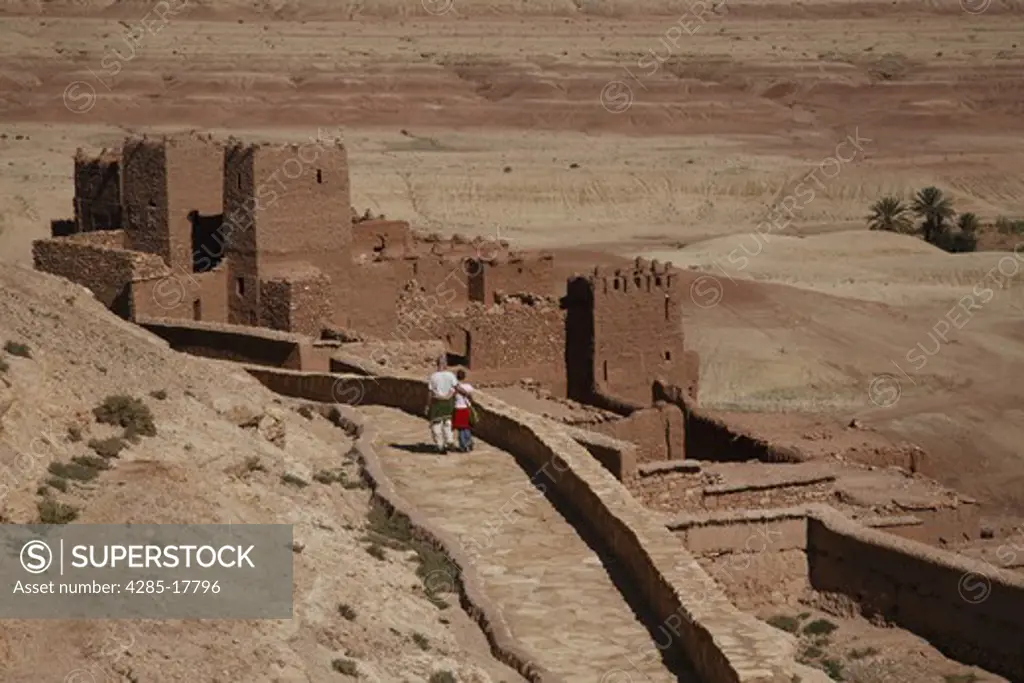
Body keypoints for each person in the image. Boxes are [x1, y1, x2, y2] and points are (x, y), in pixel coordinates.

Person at [425, 355, 458, 454]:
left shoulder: (433, 376)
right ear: (445, 364)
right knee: (448, 422)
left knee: (436, 424)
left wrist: (427, 405)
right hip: (448, 403)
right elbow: (455, 388)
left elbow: (430, 393)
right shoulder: (451, 375)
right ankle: (449, 440)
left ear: (437, 364)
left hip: (437, 403)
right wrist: (449, 396)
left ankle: (440, 445)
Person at [452, 369, 475, 452]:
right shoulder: (468, 387)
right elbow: (471, 397)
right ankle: (469, 442)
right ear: (464, 377)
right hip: (465, 409)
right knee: (466, 427)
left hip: (457, 409)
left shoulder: (454, 388)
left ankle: (463, 446)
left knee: (461, 428)